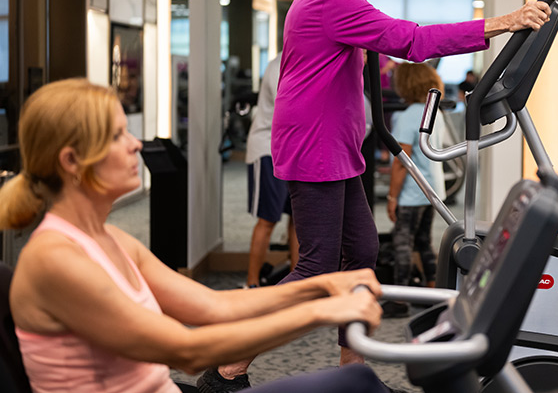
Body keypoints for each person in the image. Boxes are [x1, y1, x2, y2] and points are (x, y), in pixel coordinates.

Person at [264, 0, 549, 373]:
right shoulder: (328, 2)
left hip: (336, 147)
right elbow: (412, 42)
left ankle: (351, 370)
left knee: (362, 252)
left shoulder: (325, 0)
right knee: (315, 266)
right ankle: (228, 364)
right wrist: (503, 22)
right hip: (315, 146)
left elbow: (387, 46)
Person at [0, 78, 386, 393]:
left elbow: (213, 307)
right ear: (71, 161)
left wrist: (327, 284)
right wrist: (320, 309)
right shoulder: (55, 258)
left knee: (356, 380)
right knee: (353, 386)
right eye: (118, 136)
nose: (136, 143)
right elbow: (187, 351)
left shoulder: (113, 239)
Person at [384, 63, 446, 317]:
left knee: (402, 243)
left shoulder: (409, 115)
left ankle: (399, 300)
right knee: (423, 242)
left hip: (411, 193)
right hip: (432, 191)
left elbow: (402, 163)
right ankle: (433, 294)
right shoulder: (434, 112)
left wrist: (391, 197)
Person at [243, 53, 298, 289]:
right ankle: (252, 284)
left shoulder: (306, 62)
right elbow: (290, 107)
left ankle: (297, 285)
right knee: (268, 220)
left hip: (295, 152)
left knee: (298, 221)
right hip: (268, 150)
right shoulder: (279, 65)